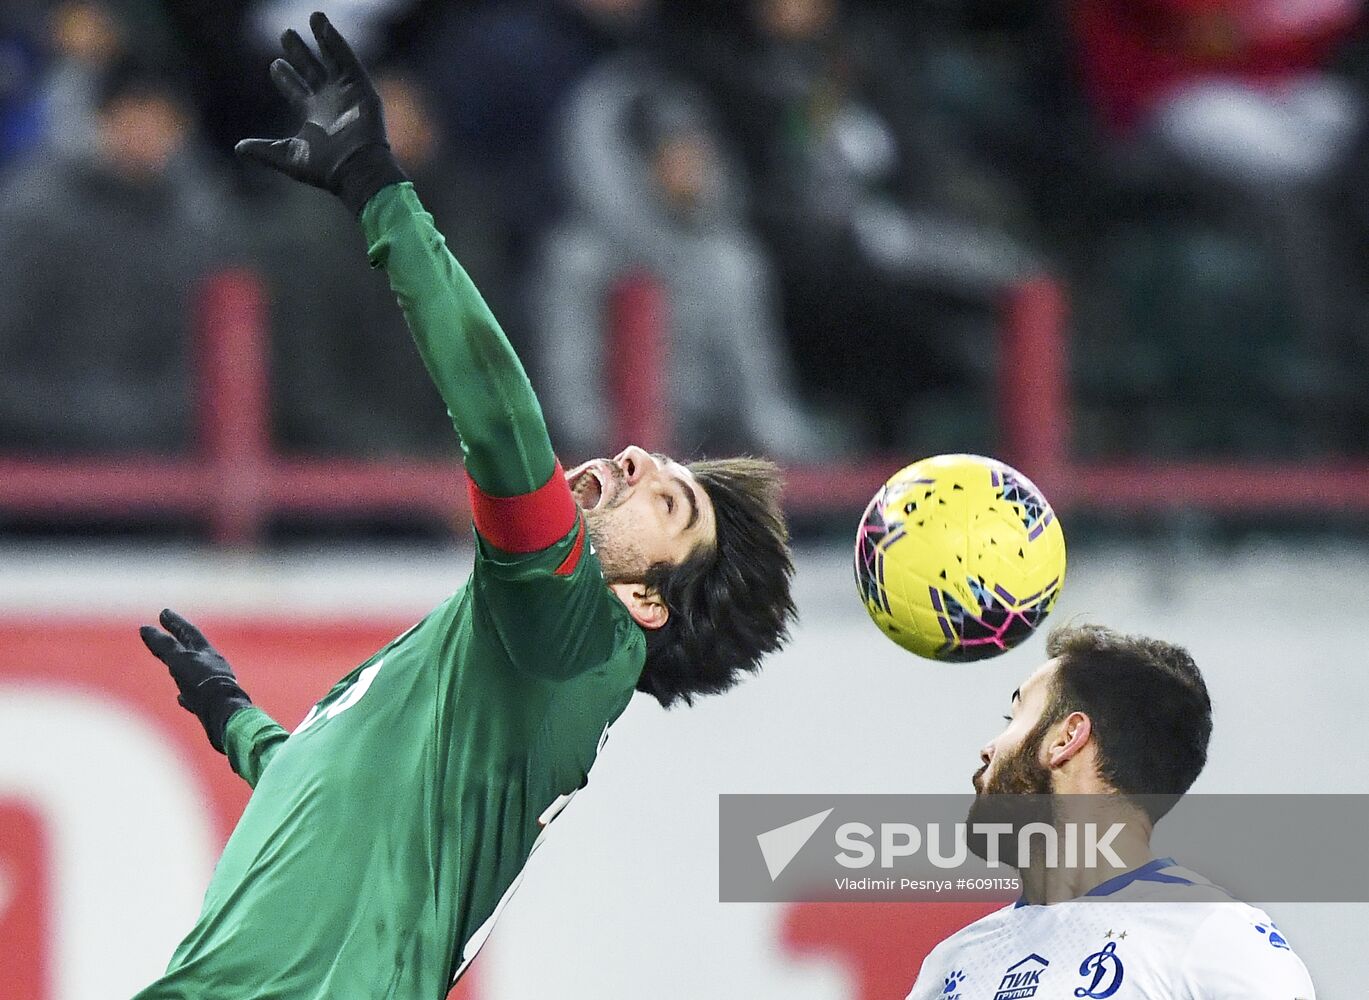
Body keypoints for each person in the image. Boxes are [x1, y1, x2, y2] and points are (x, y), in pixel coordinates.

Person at [130, 14, 794, 999]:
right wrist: (237, 719)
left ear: (649, 602)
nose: (643, 458)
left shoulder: (575, 639)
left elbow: (500, 424)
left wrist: (378, 193)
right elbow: (333, 792)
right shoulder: (501, 662)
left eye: (671, 502)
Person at [905, 624, 1316, 998]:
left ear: (1067, 738)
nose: (988, 748)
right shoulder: (952, 966)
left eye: (1014, 717)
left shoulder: (1216, 940)